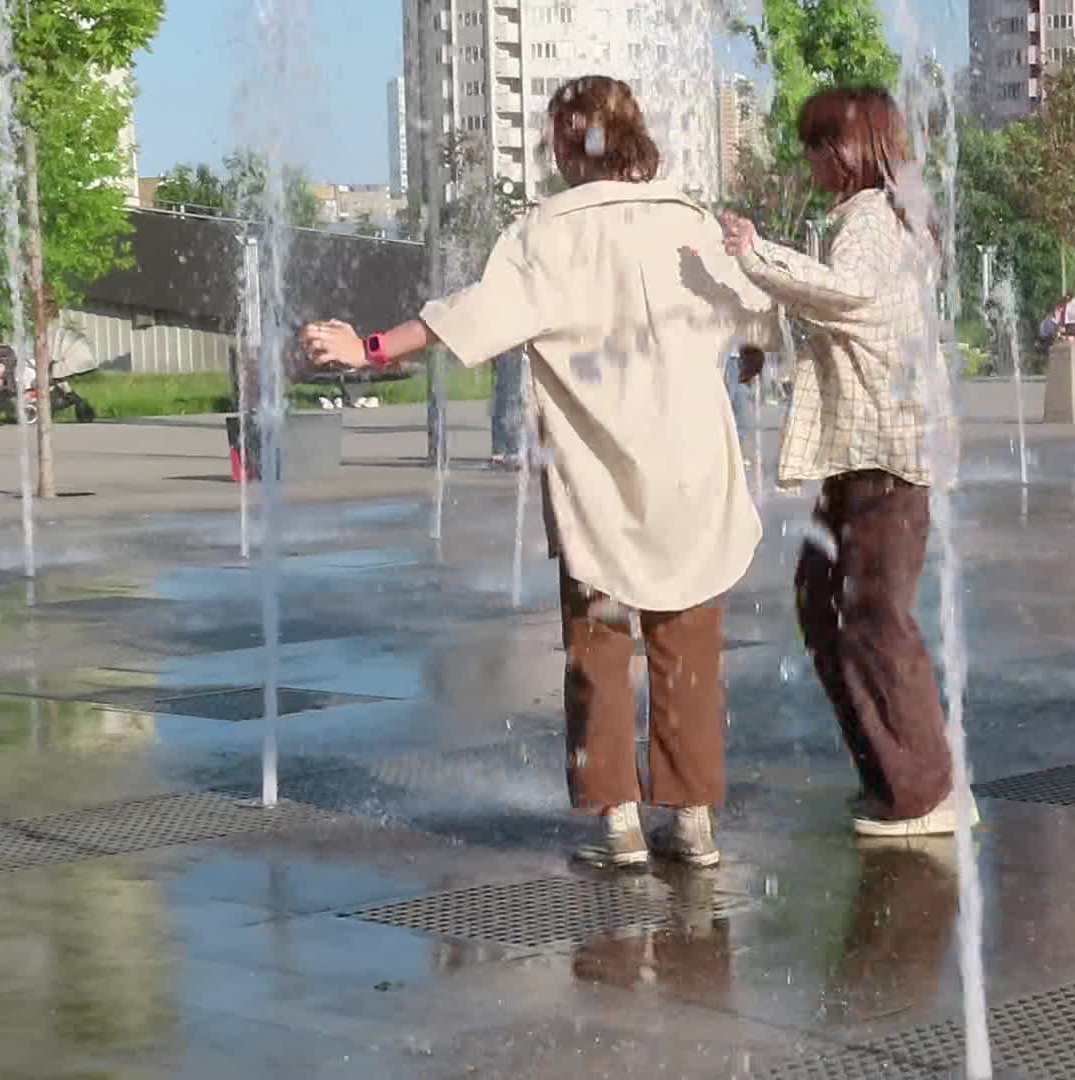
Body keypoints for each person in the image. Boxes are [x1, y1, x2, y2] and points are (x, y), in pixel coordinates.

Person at [307, 75, 777, 869]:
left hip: (600, 478)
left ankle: (619, 822)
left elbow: (472, 314)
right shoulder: (690, 221)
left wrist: (370, 348)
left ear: (568, 145)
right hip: (693, 472)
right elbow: (753, 306)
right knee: (688, 648)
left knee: (599, 644)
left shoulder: (548, 234)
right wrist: (756, 349)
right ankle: (692, 818)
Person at [720, 86, 972, 838]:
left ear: (850, 149)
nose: (809, 161)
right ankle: (895, 777)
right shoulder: (877, 216)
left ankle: (923, 793)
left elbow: (849, 295)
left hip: (883, 452)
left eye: (817, 145)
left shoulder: (866, 219)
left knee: (872, 615)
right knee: (829, 601)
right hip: (875, 448)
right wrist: (764, 334)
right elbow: (841, 308)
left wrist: (755, 254)